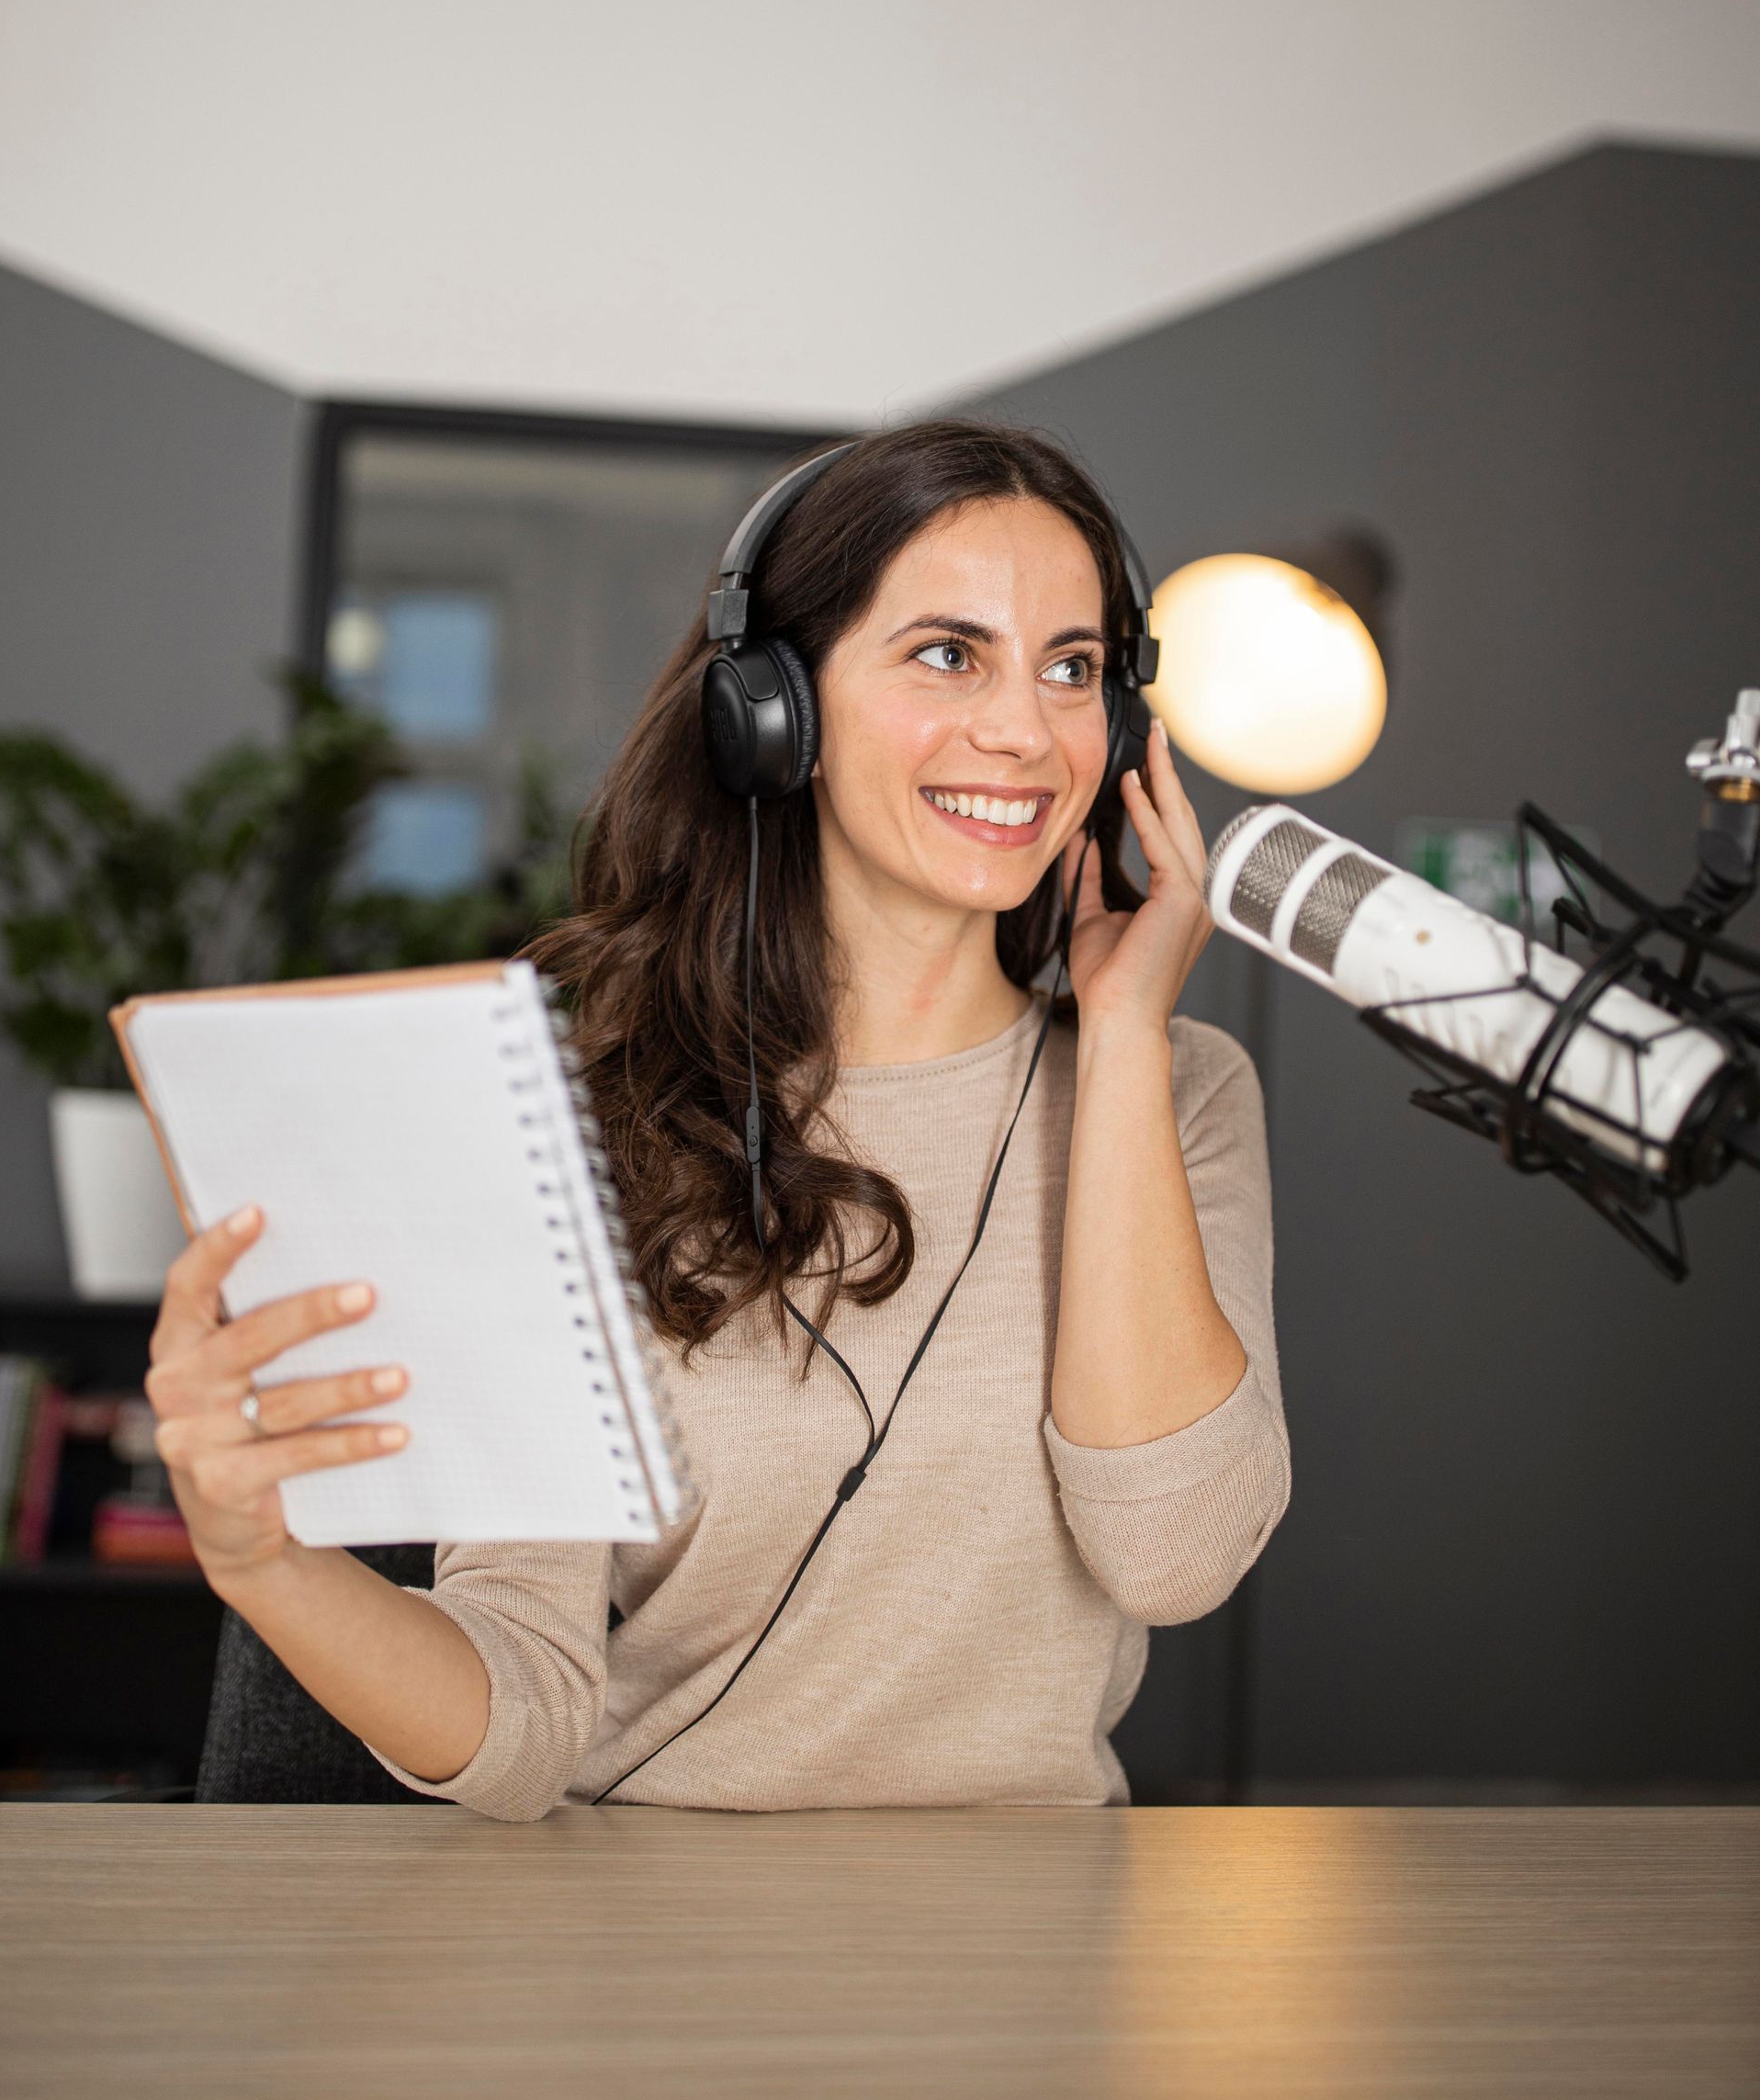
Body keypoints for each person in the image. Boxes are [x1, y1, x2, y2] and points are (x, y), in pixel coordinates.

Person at [145, 420, 1291, 1818]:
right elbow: (524, 1727)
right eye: (948, 653)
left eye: (1074, 667)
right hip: (652, 1951)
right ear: (774, 709)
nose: (1023, 729)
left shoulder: (1179, 1092)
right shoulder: (588, 1109)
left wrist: (1119, 1037)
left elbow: (1173, 1555)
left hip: (1039, 1944)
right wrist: (263, 1559)